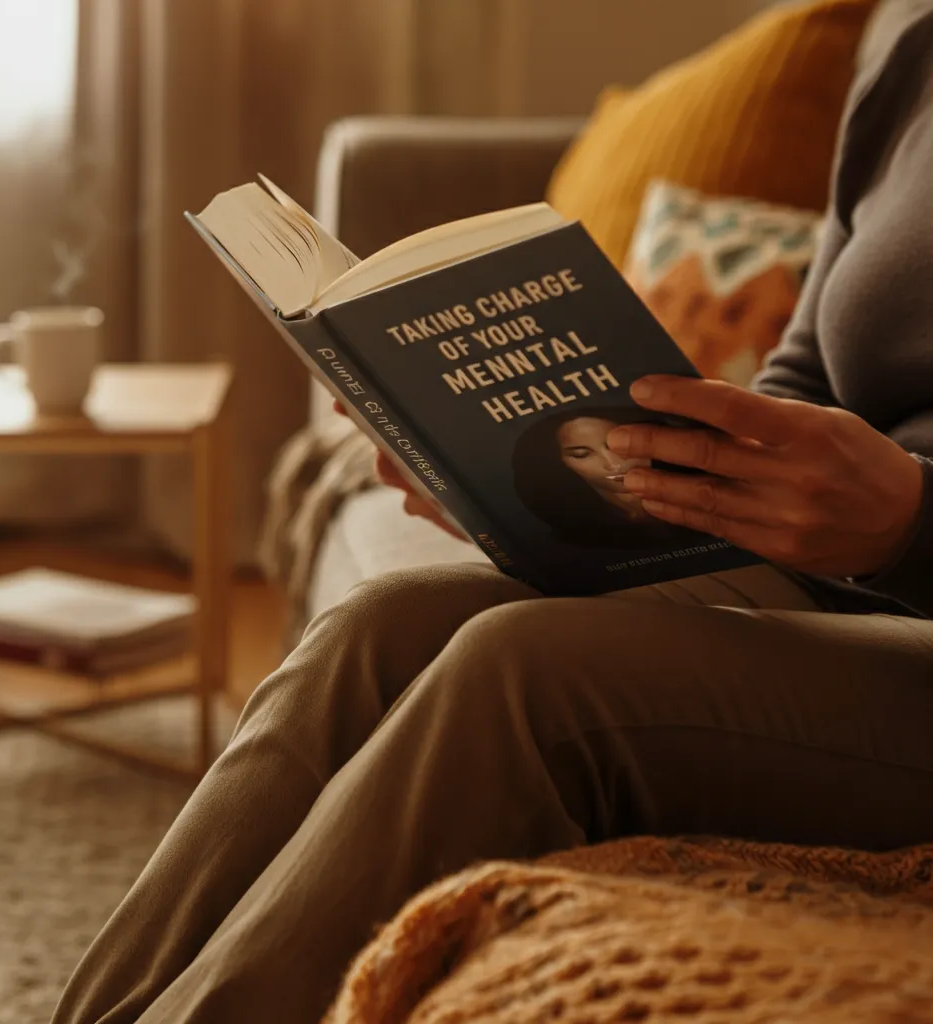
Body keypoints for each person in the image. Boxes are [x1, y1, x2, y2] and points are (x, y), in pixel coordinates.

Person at [52, 3, 933, 1022]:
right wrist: (551, 481)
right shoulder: (912, 52)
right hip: (839, 578)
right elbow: (806, 376)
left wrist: (908, 523)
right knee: (380, 628)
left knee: (518, 673)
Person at [512, 406, 703, 548]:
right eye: (581, 454)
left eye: (622, 446)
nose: (613, 464)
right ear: (560, 463)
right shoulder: (574, 533)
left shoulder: (702, 490)